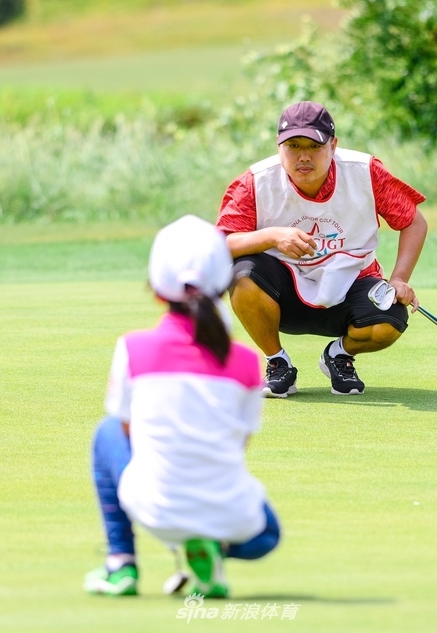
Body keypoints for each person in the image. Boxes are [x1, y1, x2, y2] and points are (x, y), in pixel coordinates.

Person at [84, 215, 281, 599]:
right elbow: (238, 443)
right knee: (267, 534)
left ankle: (120, 564)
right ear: (223, 283)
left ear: (157, 289)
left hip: (155, 510)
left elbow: (127, 433)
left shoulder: (132, 349)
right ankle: (210, 546)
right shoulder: (247, 362)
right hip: (229, 513)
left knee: (107, 431)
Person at [217, 101, 428, 397]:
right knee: (243, 273)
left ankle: (339, 355)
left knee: (391, 319)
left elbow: (414, 222)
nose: (304, 156)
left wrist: (399, 279)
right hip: (282, 294)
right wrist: (272, 236)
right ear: (279, 146)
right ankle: (278, 363)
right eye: (293, 146)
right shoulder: (256, 181)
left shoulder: (365, 172)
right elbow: (221, 243)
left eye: (315, 146)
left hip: (352, 283)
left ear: (333, 145)